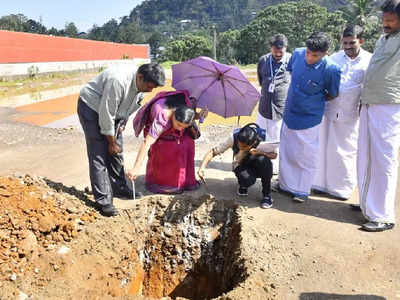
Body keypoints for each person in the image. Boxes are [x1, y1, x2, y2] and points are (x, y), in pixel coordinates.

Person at [77, 63, 165, 217]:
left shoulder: (142, 86)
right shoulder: (118, 81)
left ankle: (119, 188)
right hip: (91, 107)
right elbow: (106, 113)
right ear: (140, 77)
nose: (151, 91)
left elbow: (130, 106)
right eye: (150, 86)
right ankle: (103, 201)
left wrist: (122, 122)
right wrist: (110, 142)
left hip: (114, 112)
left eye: (153, 88)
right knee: (99, 155)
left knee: (117, 152)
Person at [277, 32, 341, 203]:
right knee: (287, 151)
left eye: (315, 55)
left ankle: (301, 190)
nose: (309, 57)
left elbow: (333, 94)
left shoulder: (331, 69)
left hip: (309, 118)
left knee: (305, 155)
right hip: (290, 112)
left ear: (325, 53)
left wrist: (312, 100)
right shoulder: (297, 54)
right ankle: (284, 185)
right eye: (308, 52)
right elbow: (291, 72)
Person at [354, 0, 400, 232]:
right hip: (370, 102)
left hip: (390, 104)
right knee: (365, 153)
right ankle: (367, 204)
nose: (385, 24)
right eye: (384, 19)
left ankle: (382, 215)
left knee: (384, 158)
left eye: (390, 20)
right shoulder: (384, 39)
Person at [313, 25, 372, 200]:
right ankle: (320, 184)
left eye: (351, 42)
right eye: (344, 42)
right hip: (328, 110)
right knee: (323, 146)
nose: (347, 46)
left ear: (361, 40)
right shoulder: (333, 59)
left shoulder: (370, 60)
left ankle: (341, 188)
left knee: (345, 150)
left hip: (351, 114)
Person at [128, 90, 207, 194]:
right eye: (178, 125)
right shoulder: (162, 117)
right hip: (161, 136)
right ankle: (164, 184)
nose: (180, 129)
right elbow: (147, 142)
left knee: (187, 141)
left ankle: (186, 181)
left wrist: (200, 115)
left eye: (184, 127)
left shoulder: (187, 104)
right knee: (171, 147)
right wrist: (136, 167)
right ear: (174, 115)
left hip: (174, 126)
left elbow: (191, 116)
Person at [197, 123, 277, 209]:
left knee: (264, 161)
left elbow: (274, 155)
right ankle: (243, 185)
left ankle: (266, 194)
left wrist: (260, 152)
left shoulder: (264, 136)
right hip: (241, 163)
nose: (240, 147)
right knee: (247, 180)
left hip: (259, 163)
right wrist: (202, 168)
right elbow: (213, 152)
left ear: (253, 142)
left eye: (244, 146)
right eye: (239, 145)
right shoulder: (233, 137)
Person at [256, 34, 291, 174]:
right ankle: (260, 164)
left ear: (286, 48)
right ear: (271, 48)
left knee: (277, 140)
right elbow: (261, 80)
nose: (277, 54)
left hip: (280, 109)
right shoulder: (263, 60)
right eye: (275, 51)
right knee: (260, 137)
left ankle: (275, 168)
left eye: (280, 52)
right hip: (264, 107)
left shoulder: (291, 60)